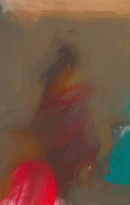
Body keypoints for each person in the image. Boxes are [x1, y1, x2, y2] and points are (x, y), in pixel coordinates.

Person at [27, 42, 99, 186]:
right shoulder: (62, 99)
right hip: (53, 160)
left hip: (65, 159)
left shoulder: (79, 96)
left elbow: (86, 137)